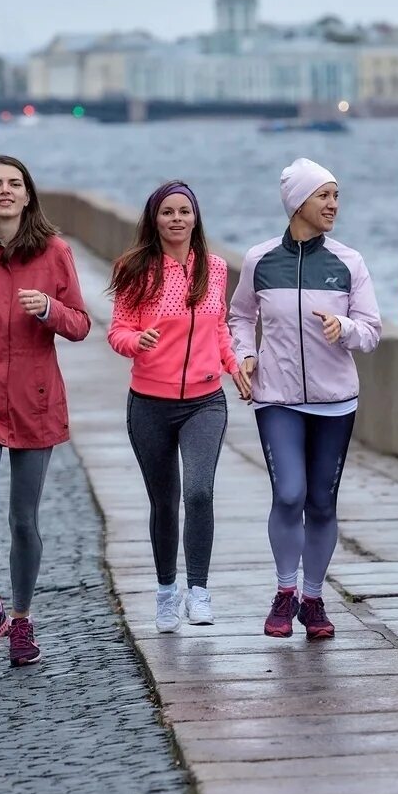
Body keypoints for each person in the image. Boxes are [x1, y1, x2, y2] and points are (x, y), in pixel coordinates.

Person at [0, 155, 91, 665]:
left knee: (23, 520)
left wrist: (49, 310)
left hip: (35, 398)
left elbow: (80, 324)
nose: (5, 191)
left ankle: (22, 622)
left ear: (28, 195)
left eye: (14, 184)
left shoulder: (55, 252)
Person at [229, 158, 381, 640]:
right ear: (298, 202)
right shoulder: (259, 260)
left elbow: (373, 331)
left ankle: (313, 599)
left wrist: (346, 329)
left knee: (321, 503)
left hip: (336, 400)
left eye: (336, 195)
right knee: (289, 494)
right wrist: (246, 354)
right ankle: (284, 591)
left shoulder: (348, 261)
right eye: (325, 196)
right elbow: (238, 317)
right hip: (277, 397)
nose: (334, 204)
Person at [107, 181, 250, 634]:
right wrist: (137, 341)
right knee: (164, 502)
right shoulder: (135, 269)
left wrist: (233, 364)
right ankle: (167, 592)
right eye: (167, 212)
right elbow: (117, 331)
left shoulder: (214, 268)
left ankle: (200, 591)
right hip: (149, 403)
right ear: (154, 219)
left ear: (195, 217)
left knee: (200, 493)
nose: (176, 219)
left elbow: (220, 329)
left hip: (204, 402)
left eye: (184, 211)